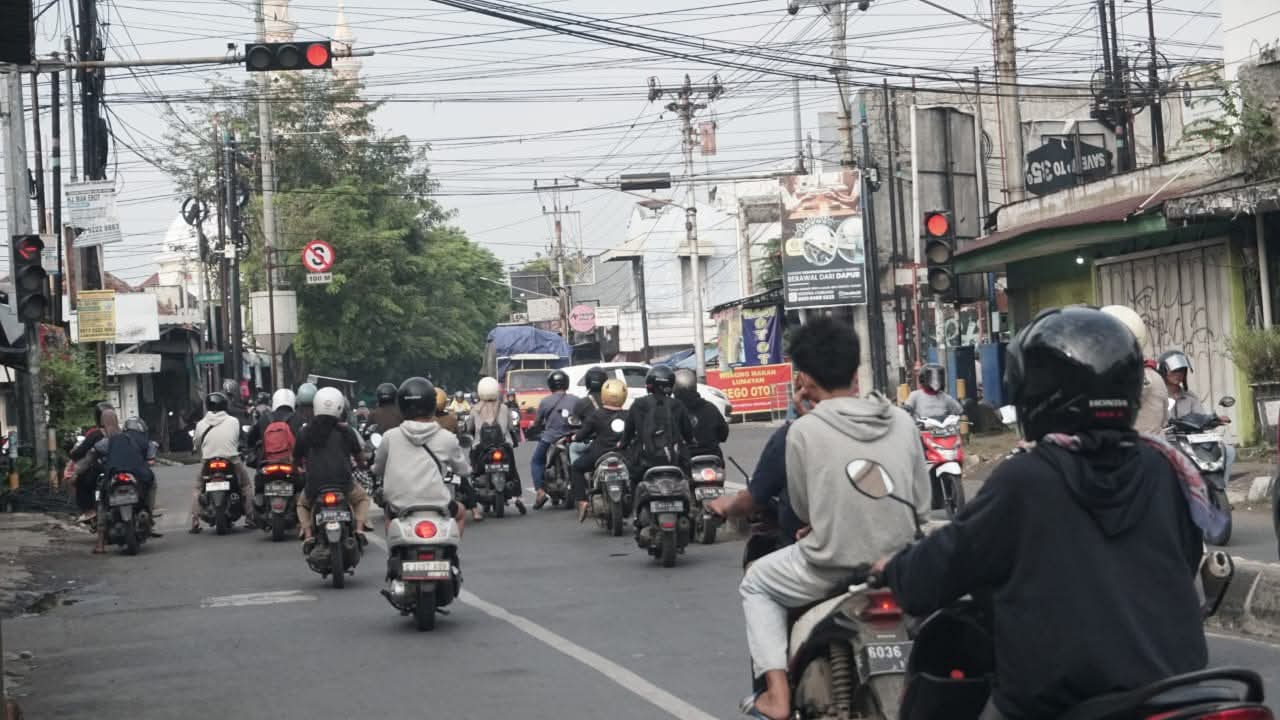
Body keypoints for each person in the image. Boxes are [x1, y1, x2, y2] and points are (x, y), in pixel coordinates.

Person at [875, 307, 1214, 720]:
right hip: (1179, 691)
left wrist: (895, 569)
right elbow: (1185, 557)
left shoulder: (1026, 479)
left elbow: (940, 567)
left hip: (1063, 701)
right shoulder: (1165, 470)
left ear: (1036, 393)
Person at [738, 317, 928, 720]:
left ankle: (776, 696)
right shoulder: (903, 420)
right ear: (856, 372)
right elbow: (921, 505)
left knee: (756, 582)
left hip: (831, 565)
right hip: (903, 563)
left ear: (803, 379)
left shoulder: (802, 431)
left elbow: (804, 513)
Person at [374, 377, 470, 546]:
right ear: (432, 405)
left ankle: (393, 554)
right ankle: (452, 554)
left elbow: (378, 468)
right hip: (439, 504)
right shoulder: (446, 438)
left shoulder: (390, 437)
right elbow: (463, 470)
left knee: (388, 512)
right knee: (461, 513)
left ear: (402, 406)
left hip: (400, 506)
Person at [294, 387, 370, 553]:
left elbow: (296, 459)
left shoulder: (305, 432)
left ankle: (307, 535)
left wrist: (300, 469)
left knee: (302, 505)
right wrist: (364, 465)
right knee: (363, 499)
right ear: (340, 408)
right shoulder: (347, 431)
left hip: (314, 486)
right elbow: (360, 458)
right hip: (344, 484)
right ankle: (359, 529)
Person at [619, 365, 693, 488]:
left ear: (649, 383)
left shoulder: (638, 404)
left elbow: (628, 433)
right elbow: (688, 433)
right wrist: (691, 442)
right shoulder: (677, 405)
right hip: (674, 462)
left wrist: (622, 445)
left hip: (644, 464)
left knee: (630, 483)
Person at [190, 392, 255, 533]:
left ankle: (195, 521)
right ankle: (250, 517)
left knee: (198, 488)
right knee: (245, 486)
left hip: (208, 461)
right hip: (231, 460)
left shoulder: (201, 424)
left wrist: (202, 453)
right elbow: (239, 439)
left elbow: (196, 443)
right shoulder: (233, 421)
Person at [93, 416, 157, 553]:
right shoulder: (146, 441)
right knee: (151, 485)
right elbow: (151, 459)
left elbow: (97, 448)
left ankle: (100, 543)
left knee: (102, 502)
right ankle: (149, 513)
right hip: (138, 474)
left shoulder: (112, 439)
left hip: (114, 474)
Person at [570, 378, 629, 522]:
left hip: (599, 454)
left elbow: (582, 434)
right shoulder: (628, 415)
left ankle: (582, 501)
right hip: (624, 455)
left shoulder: (597, 415)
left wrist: (574, 437)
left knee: (576, 468)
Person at [1102, 305, 1168, 434]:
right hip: (1154, 448)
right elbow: (1164, 419)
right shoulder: (1155, 376)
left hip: (1125, 450)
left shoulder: (1115, 379)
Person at [464, 376, 524, 515]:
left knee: (474, 469)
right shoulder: (504, 408)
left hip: (481, 447)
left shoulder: (475, 409)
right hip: (503, 446)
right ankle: (519, 497)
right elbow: (511, 426)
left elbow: (468, 428)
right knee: (513, 471)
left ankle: (475, 485)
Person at [530, 369, 579, 509]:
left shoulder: (545, 402)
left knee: (537, 461)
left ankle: (540, 492)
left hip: (550, 437)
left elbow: (538, 422)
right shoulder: (576, 400)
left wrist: (533, 427)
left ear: (551, 385)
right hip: (572, 437)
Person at [69, 402, 119, 522]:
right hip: (122, 467)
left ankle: (89, 510)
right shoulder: (123, 433)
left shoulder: (95, 434)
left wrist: (72, 453)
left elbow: (80, 453)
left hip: (102, 470)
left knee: (81, 480)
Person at [674, 368, 728, 459]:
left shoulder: (671, 411)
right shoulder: (710, 408)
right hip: (712, 458)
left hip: (684, 460)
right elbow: (723, 435)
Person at [570, 367, 610, 476]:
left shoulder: (582, 403)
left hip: (591, 443)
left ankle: (577, 478)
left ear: (587, 382)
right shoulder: (611, 400)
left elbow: (574, 422)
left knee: (573, 448)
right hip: (611, 441)